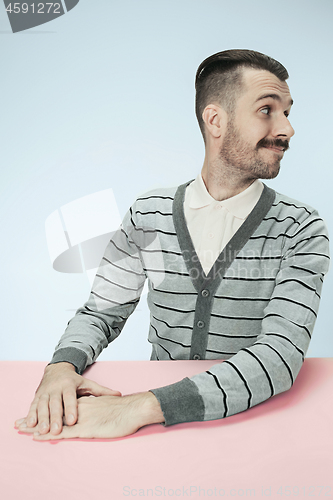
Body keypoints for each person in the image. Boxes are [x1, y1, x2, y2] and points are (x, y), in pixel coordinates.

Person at [15, 49, 330, 440]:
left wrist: (142, 406)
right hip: (160, 436)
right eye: (267, 110)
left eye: (287, 111)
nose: (287, 128)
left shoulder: (301, 228)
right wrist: (61, 368)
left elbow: (280, 356)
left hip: (249, 426)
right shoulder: (149, 212)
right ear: (215, 120)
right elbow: (101, 312)